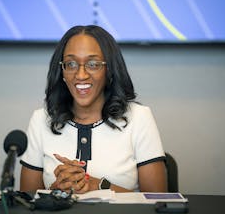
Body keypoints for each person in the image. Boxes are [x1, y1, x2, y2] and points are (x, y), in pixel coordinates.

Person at [20, 25, 167, 193]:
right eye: (71, 63)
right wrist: (55, 190)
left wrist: (95, 185)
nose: (81, 75)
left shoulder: (139, 118)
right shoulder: (41, 120)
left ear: (109, 69)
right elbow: (26, 202)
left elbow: (157, 201)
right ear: (62, 70)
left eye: (93, 64)